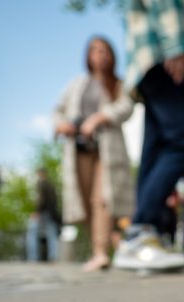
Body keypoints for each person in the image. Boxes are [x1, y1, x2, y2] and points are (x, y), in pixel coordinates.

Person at [113, 0, 184, 271]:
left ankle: (146, 239)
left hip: (147, 60)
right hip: (163, 55)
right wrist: (177, 46)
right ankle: (139, 232)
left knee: (155, 150)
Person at [54, 36, 135, 272]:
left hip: (106, 149)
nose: (100, 55)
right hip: (79, 149)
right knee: (85, 199)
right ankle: (98, 248)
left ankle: (101, 253)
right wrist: (62, 124)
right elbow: (57, 111)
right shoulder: (77, 84)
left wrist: (100, 117)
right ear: (88, 56)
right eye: (95, 51)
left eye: (105, 51)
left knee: (102, 198)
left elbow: (126, 107)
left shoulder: (118, 84)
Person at [26, 168, 60, 262]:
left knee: (32, 234)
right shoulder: (51, 185)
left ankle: (33, 258)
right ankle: (53, 256)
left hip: (42, 213)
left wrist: (37, 211)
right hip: (51, 213)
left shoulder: (41, 184)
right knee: (52, 235)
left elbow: (41, 199)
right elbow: (55, 200)